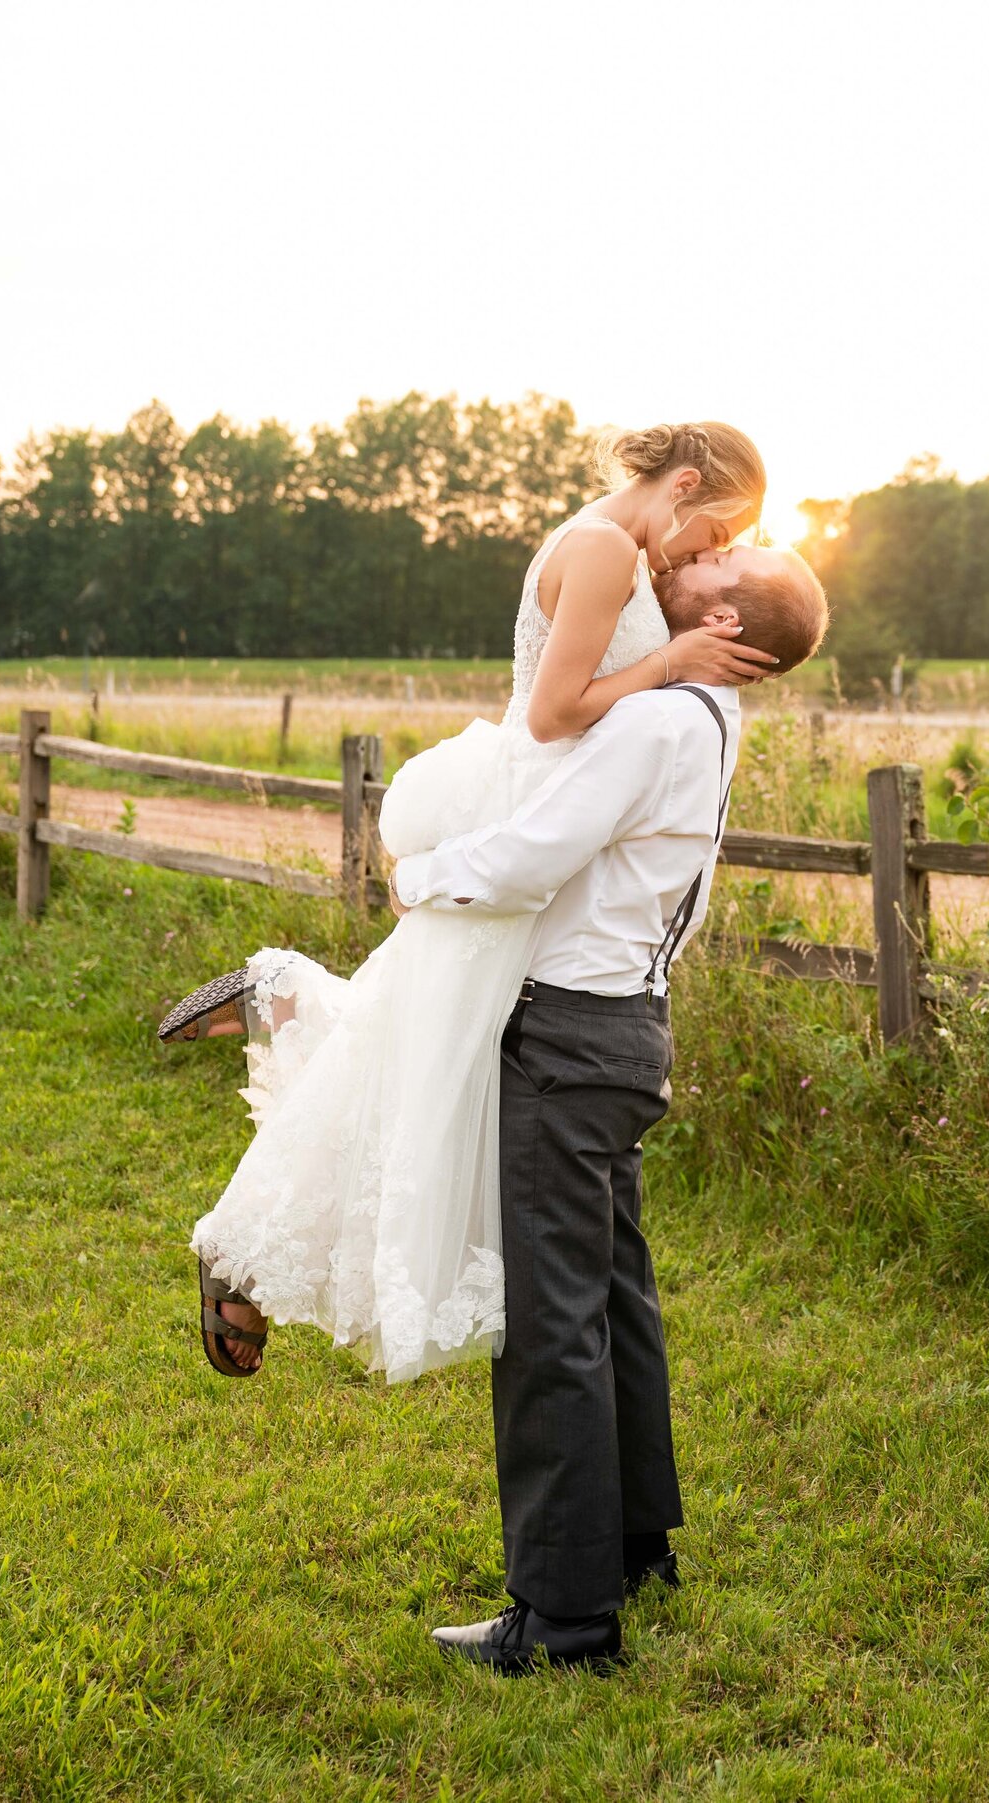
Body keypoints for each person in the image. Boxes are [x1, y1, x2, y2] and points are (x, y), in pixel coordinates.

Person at [171, 424, 773, 1384]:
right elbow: (555, 710)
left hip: (555, 811)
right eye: (714, 535)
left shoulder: (612, 547)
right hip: (533, 804)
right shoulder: (608, 547)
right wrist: (672, 663)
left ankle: (279, 1013)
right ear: (685, 485)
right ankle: (246, 1220)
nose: (705, 556)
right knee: (427, 1071)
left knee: (419, 1053)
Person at [393, 539, 829, 1671]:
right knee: (613, 1304)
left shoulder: (657, 721)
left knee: (551, 1330)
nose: (698, 558)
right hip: (626, 1028)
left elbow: (532, 856)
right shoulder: (710, 721)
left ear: (728, 626)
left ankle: (565, 1619)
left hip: (570, 1034)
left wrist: (417, 874)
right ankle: (634, 1548)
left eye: (725, 564)